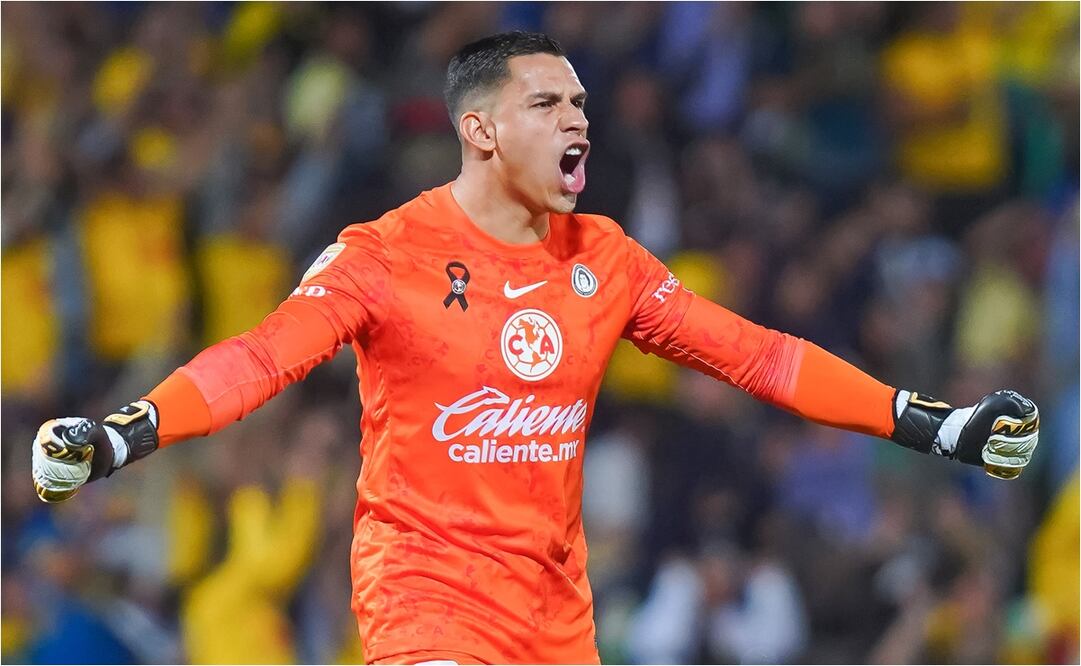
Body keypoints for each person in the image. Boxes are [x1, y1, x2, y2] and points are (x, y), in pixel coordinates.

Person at [31, 32, 1040, 665]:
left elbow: (761, 357)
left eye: (583, 107)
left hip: (553, 619)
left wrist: (936, 422)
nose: (579, 125)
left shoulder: (604, 259)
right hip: (424, 604)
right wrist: (125, 433)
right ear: (478, 131)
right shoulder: (382, 255)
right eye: (548, 106)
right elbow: (259, 357)